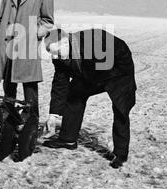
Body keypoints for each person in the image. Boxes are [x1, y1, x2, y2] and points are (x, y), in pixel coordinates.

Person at [42, 28, 137, 168]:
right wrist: (53, 115)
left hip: (118, 69)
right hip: (91, 71)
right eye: (52, 53)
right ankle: (67, 139)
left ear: (65, 42)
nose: (56, 56)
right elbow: (60, 84)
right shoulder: (59, 57)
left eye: (57, 52)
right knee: (74, 95)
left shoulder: (93, 41)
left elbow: (111, 58)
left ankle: (120, 154)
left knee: (121, 107)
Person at [0, 0, 54, 160]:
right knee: (8, 93)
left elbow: (48, 21)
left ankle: (29, 138)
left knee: (30, 95)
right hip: (8, 46)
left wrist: (35, 33)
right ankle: (8, 136)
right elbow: (1, 17)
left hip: (26, 48)